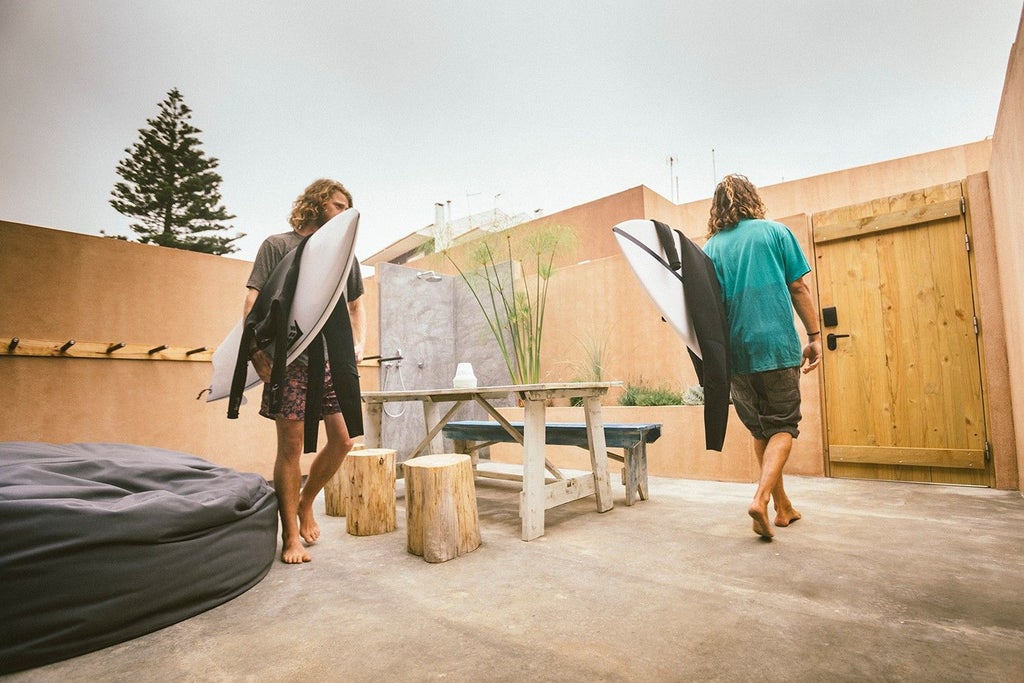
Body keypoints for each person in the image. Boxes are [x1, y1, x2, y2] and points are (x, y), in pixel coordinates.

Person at [244, 179, 365, 563]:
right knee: (291, 448)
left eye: (347, 208)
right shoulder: (277, 246)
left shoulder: (345, 257)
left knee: (344, 440)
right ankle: (290, 538)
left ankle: (305, 500)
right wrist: (254, 351)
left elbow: (356, 305)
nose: (343, 214)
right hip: (288, 359)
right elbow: (252, 301)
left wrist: (358, 345)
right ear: (316, 204)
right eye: (337, 205)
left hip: (330, 361)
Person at [702, 174, 822, 540]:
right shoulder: (775, 233)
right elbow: (798, 286)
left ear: (717, 207)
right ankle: (761, 498)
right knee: (784, 426)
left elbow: (703, 306)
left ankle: (783, 508)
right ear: (751, 198)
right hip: (776, 347)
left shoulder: (710, 250)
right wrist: (815, 335)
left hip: (735, 355)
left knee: (760, 429)